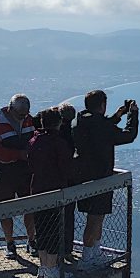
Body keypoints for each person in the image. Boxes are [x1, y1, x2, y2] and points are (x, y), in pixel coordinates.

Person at [73, 91, 138, 269]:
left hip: (84, 176)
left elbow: (101, 127)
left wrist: (118, 116)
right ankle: (87, 258)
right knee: (95, 218)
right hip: (101, 177)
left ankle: (95, 252)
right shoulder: (100, 126)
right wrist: (133, 114)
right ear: (103, 105)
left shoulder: (81, 120)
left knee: (97, 216)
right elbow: (128, 135)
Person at [0, 94, 36, 257]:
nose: (24, 116)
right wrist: (17, 155)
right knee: (5, 209)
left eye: (26, 113)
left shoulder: (30, 120)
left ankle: (32, 240)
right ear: (10, 109)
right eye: (21, 113)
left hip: (26, 172)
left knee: (30, 206)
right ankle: (9, 242)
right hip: (5, 172)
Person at [28, 108, 74, 278]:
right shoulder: (58, 143)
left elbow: (31, 164)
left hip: (37, 189)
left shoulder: (34, 140)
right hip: (55, 190)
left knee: (41, 229)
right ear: (59, 122)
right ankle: (52, 269)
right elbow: (66, 168)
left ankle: (43, 267)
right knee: (54, 230)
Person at [57, 102, 79, 262]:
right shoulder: (75, 133)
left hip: (53, 181)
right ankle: (67, 249)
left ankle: (51, 249)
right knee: (69, 215)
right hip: (71, 179)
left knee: (51, 215)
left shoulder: (53, 136)